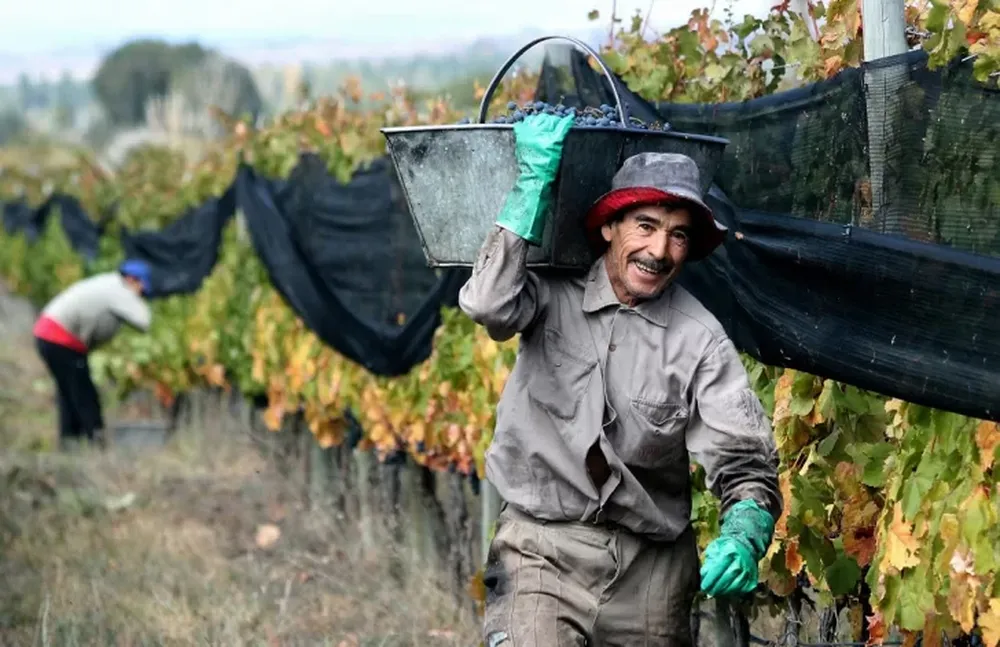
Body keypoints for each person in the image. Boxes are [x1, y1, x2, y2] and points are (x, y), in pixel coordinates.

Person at [459, 113, 782, 646]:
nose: (659, 251)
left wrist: (745, 531)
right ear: (609, 227)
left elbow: (743, 458)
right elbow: (488, 303)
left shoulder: (699, 339)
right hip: (540, 550)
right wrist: (530, 186)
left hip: (650, 573)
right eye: (646, 226)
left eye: (678, 236)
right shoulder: (549, 293)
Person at [33, 259, 154, 450]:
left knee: (69, 392)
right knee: (84, 394)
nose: (141, 294)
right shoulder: (119, 290)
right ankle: (96, 443)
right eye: (141, 288)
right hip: (59, 339)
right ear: (132, 279)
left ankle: (70, 444)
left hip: (48, 335)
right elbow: (144, 321)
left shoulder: (108, 283)